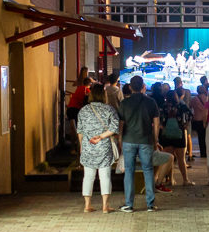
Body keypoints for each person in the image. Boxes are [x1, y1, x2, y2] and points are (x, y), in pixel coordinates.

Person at [117, 75, 161, 213]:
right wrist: (155, 140)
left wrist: (120, 140)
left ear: (130, 87)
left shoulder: (124, 103)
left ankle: (129, 204)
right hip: (146, 140)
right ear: (143, 86)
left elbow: (121, 124)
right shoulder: (151, 102)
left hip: (128, 140)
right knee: (148, 170)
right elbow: (157, 124)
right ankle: (150, 204)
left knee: (129, 171)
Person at [77, 84, 120, 213]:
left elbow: (80, 131)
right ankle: (105, 206)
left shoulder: (83, 110)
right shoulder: (109, 109)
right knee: (105, 176)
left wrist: (81, 145)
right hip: (104, 147)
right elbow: (114, 128)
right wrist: (101, 136)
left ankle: (87, 205)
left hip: (88, 146)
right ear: (103, 95)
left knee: (88, 177)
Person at [158, 85, 193, 190]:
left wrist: (161, 126)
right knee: (181, 159)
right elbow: (190, 114)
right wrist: (186, 124)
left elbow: (158, 118)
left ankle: (171, 179)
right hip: (179, 134)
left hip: (166, 135)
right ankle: (185, 179)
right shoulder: (181, 106)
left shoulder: (163, 107)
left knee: (170, 158)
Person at [66, 76, 90, 147]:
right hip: (76, 110)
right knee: (80, 129)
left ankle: (73, 146)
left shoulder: (79, 88)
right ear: (89, 84)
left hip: (69, 109)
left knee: (73, 128)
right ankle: (79, 145)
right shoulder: (87, 90)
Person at [189, 84, 208, 163]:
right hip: (206, 119)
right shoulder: (208, 98)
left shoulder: (194, 99)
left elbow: (189, 107)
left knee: (201, 137)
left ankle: (203, 153)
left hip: (197, 119)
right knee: (207, 137)